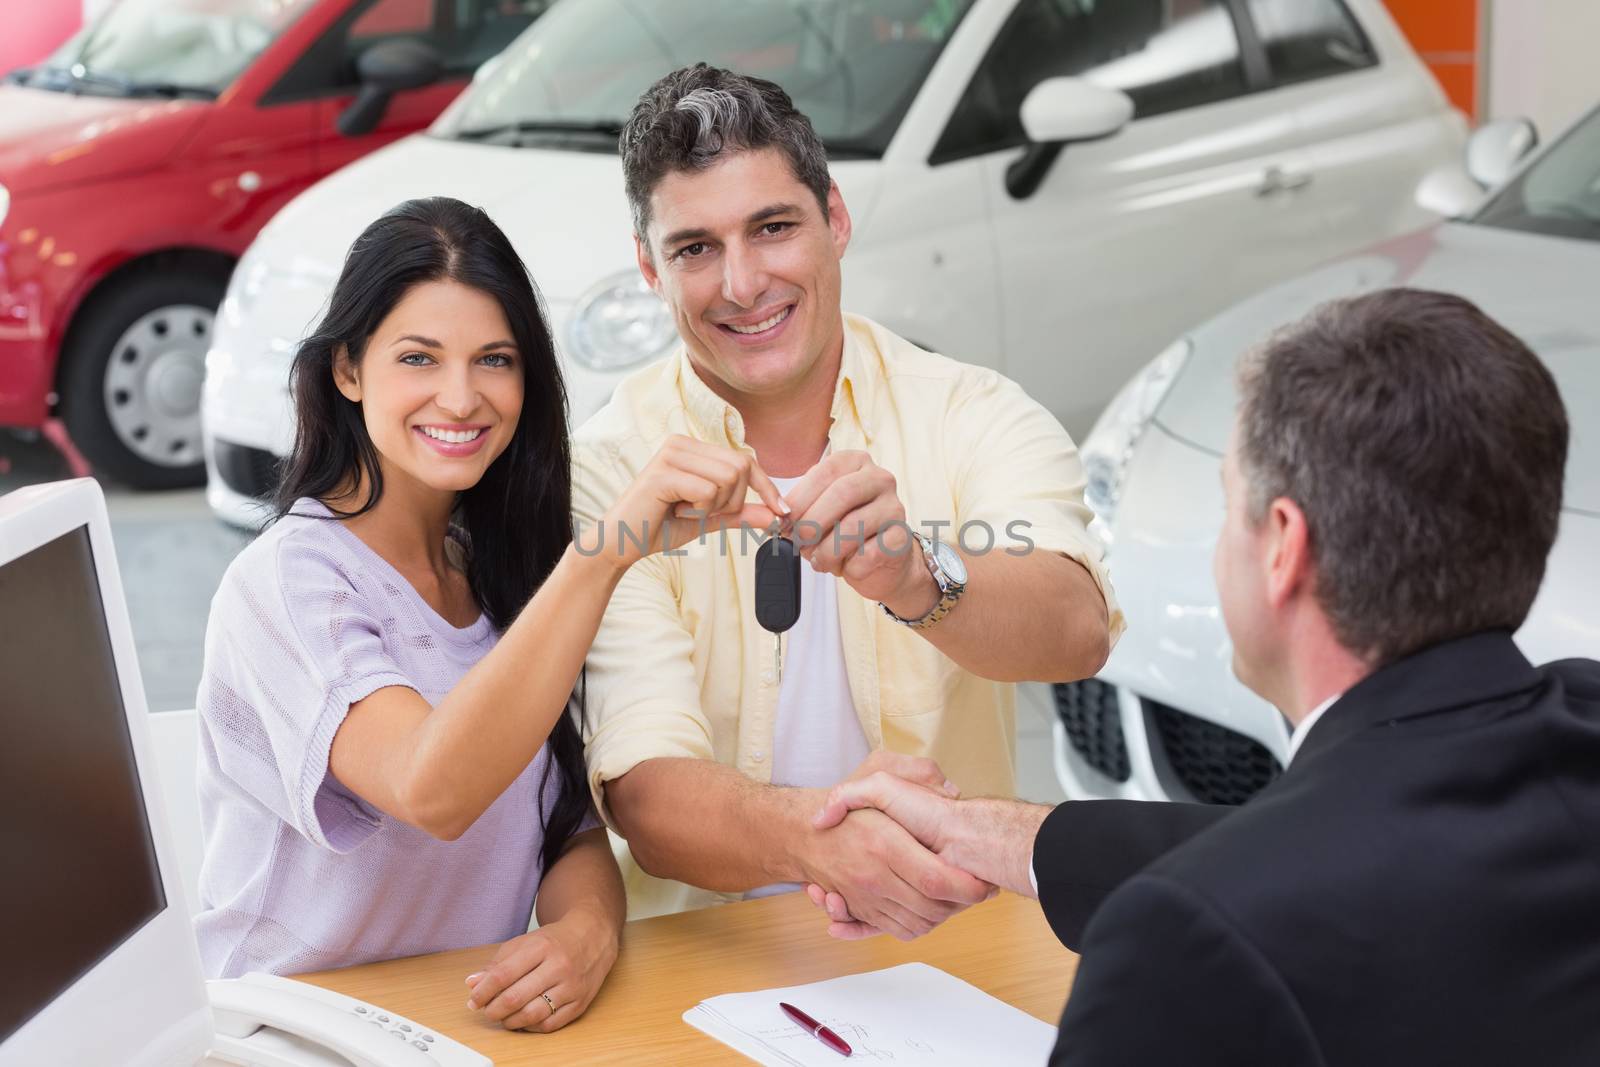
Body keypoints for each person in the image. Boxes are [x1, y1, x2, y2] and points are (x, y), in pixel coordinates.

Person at [811, 288, 1600, 1064]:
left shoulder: (1188, 948)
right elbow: (1347, 847)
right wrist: (987, 831)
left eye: (1231, 507)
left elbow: (1280, 879)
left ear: (1284, 545)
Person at [194, 197, 785, 1033]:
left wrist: (587, 930)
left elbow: (566, 825)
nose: (462, 397)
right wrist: (609, 551)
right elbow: (431, 788)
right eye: (419, 358)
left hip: (465, 1032)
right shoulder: (287, 585)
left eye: (495, 360)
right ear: (349, 370)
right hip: (288, 1034)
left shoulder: (501, 564)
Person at [569, 63, 1123, 930]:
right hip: (701, 962)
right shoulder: (608, 470)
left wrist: (918, 574)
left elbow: (1076, 630)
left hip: (950, 945)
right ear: (650, 267)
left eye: (774, 227)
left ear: (836, 220)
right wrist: (820, 841)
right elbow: (643, 793)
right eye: (695, 249)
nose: (743, 283)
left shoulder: (971, 410)